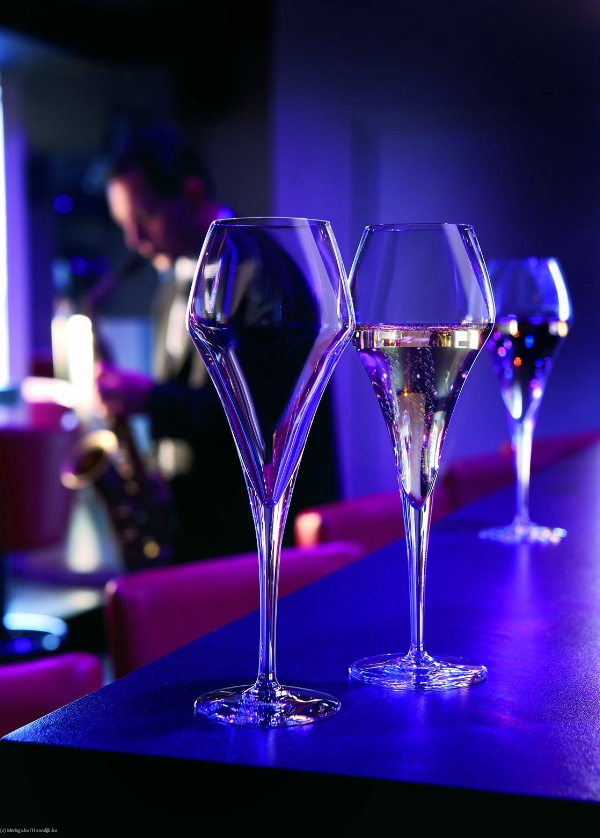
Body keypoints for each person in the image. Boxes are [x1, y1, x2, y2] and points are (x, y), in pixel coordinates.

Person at [95, 123, 341, 564]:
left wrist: (148, 399)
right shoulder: (171, 287)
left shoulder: (261, 272)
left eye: (144, 216)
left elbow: (263, 420)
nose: (134, 241)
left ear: (191, 194)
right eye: (124, 225)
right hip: (201, 532)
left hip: (257, 545)